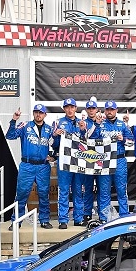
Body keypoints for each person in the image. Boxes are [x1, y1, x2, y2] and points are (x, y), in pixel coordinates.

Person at [5, 104, 54, 230]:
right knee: (21, 194)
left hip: (43, 166)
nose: (38, 114)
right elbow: (10, 136)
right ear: (33, 113)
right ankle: (16, 221)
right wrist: (14, 120)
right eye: (36, 112)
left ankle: (44, 220)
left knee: (44, 194)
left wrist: (54, 157)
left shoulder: (49, 129)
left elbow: (57, 144)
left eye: (41, 112)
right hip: (27, 165)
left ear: (45, 115)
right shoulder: (25, 126)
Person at [93, 100, 134, 219]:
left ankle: (124, 217)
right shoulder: (100, 124)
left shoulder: (122, 125)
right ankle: (104, 218)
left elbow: (131, 142)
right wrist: (96, 124)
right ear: (105, 111)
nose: (110, 112)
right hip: (104, 161)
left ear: (116, 110)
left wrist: (123, 139)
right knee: (104, 191)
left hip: (119, 160)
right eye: (108, 110)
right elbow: (90, 141)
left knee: (122, 190)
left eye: (112, 109)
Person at [52, 97, 85, 229]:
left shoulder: (82, 122)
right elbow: (52, 144)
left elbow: (87, 143)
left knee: (78, 190)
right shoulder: (58, 122)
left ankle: (78, 219)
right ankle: (63, 220)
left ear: (76, 108)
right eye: (67, 107)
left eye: (72, 107)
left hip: (78, 161)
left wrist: (83, 130)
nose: (70, 110)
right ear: (64, 109)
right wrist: (54, 135)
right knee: (64, 190)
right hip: (64, 160)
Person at [80, 97, 101, 223]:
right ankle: (87, 214)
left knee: (102, 189)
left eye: (93, 108)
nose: (91, 110)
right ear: (86, 110)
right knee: (87, 188)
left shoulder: (103, 122)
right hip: (87, 160)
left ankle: (102, 215)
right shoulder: (82, 122)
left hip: (102, 161)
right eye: (89, 108)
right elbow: (86, 137)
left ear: (97, 109)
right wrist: (96, 125)